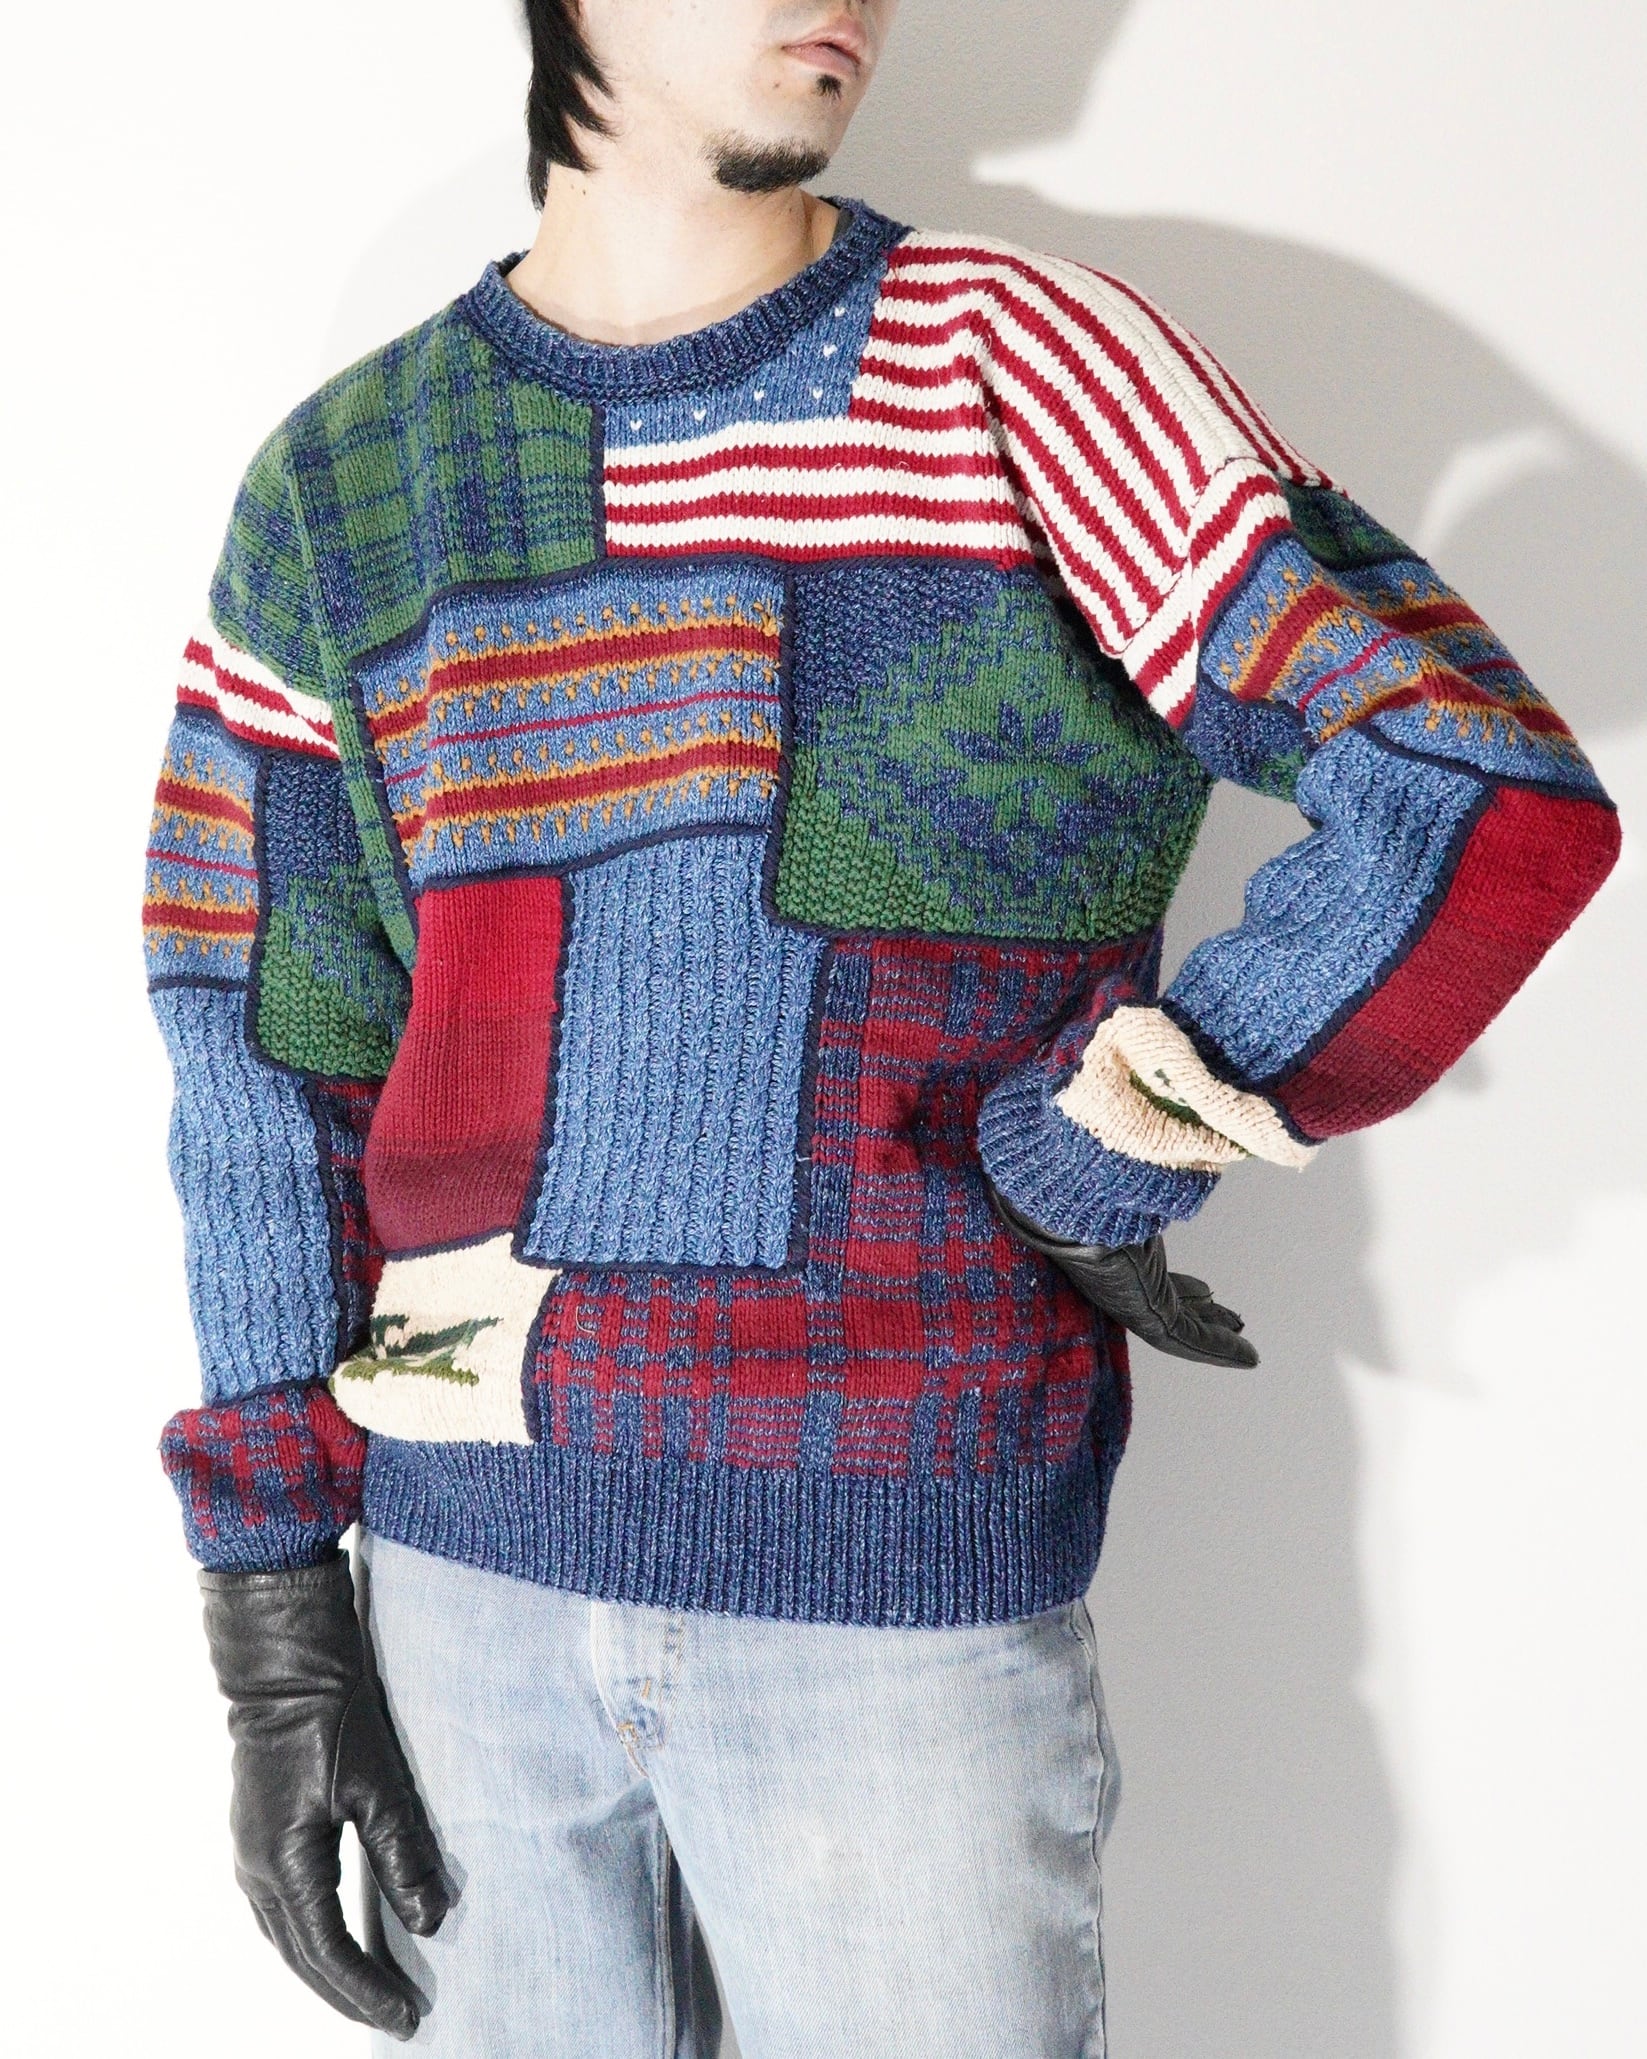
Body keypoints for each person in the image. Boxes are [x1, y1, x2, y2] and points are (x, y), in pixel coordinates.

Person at [142, 2, 1621, 2052]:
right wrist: (276, 1617)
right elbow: (261, 1044)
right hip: (458, 1593)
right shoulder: (349, 476)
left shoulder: (1016, 363)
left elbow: (1465, 784)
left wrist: (1113, 1136)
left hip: (887, 1580)